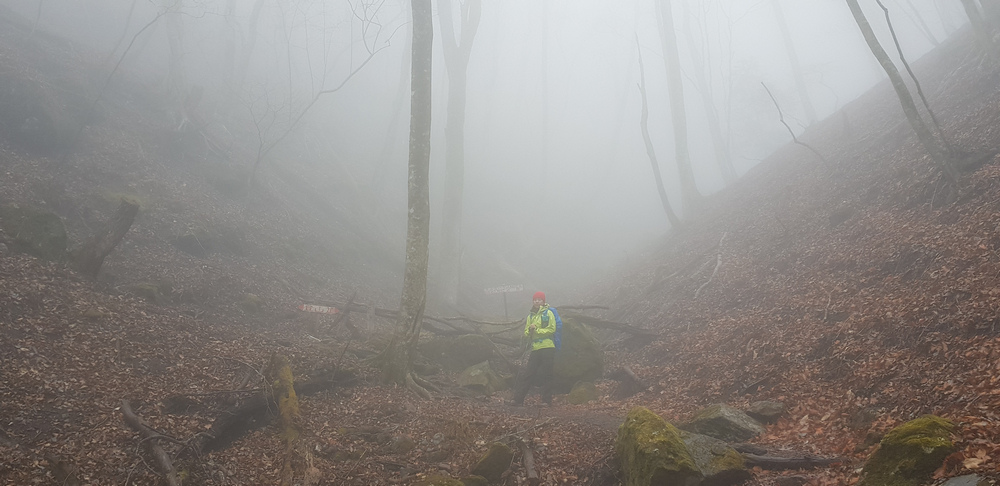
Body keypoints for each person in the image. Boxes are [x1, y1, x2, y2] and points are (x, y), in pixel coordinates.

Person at [510, 291, 557, 407]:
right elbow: (526, 332)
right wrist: (530, 330)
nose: (537, 301)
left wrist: (537, 330)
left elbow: (552, 329)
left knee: (547, 374)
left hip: (547, 347)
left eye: (539, 300)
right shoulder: (530, 316)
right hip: (535, 348)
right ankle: (518, 400)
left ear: (543, 301)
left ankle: (546, 401)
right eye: (535, 299)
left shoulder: (548, 313)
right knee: (528, 373)